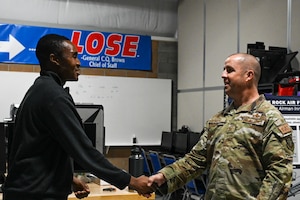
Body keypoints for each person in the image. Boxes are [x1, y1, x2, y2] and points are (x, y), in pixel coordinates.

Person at [2, 34, 153, 200]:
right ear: (55, 59)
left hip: (25, 192)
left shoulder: (40, 89)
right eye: (74, 56)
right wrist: (132, 181)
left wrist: (69, 179)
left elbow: (37, 151)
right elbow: (84, 151)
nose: (79, 62)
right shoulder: (54, 97)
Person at [148, 53, 294, 199]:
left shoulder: (270, 118)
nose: (223, 75)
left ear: (248, 75)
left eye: (229, 70)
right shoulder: (219, 119)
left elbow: (279, 174)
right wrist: (164, 176)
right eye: (224, 70)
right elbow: (196, 159)